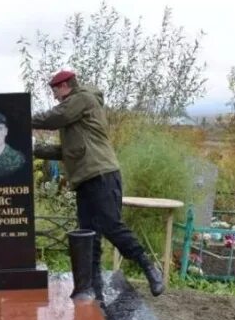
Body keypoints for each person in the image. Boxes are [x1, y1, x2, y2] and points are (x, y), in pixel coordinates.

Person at [31, 69, 164, 298]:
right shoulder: (74, 114)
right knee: (87, 236)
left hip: (102, 174)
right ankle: (90, 287)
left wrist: (19, 119)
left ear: (65, 86)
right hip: (84, 179)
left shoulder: (82, 99)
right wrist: (34, 149)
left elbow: (53, 118)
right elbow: (68, 152)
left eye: (54, 91)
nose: (54, 97)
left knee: (111, 225)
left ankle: (149, 267)